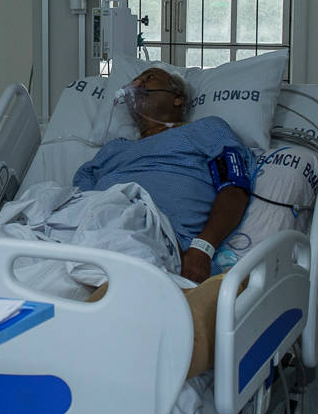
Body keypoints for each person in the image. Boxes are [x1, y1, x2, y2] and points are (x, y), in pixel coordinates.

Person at [73, 66, 252, 283]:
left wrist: (202, 248)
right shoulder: (112, 149)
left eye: (148, 79)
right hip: (87, 231)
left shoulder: (206, 130)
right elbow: (77, 201)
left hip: (153, 236)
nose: (136, 85)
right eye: (134, 81)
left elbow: (233, 187)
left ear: (177, 97)